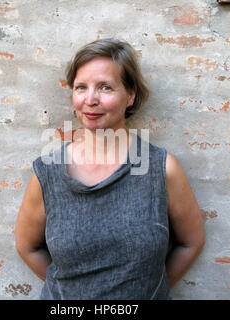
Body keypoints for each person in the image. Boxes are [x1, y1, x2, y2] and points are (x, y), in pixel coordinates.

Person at [14, 38, 205, 300]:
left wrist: (150, 291)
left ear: (130, 96)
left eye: (105, 87)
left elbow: (191, 242)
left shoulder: (161, 168)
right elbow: (27, 247)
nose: (90, 99)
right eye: (81, 87)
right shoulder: (48, 173)